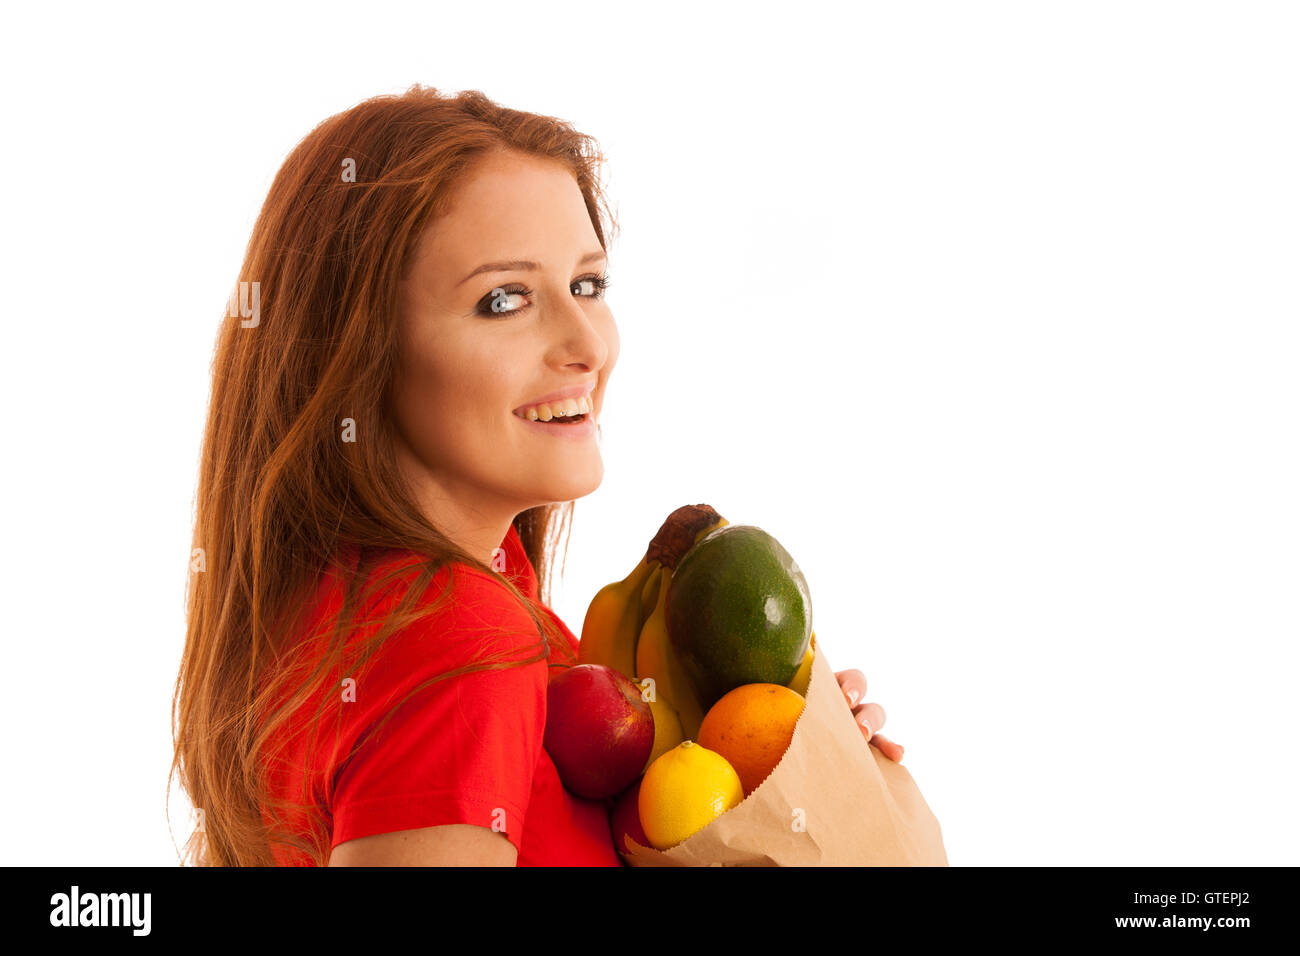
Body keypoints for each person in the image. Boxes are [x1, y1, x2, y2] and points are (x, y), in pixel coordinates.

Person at [169, 85, 901, 867]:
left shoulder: (363, 599)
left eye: (587, 285)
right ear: (359, 355)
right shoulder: (457, 643)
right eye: (504, 299)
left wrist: (776, 766)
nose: (587, 340)